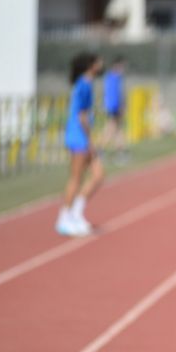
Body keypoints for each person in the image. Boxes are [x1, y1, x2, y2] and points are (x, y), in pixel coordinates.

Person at [56, 52, 105, 237]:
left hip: (81, 136)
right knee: (76, 178)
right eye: (98, 61)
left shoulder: (86, 84)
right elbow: (82, 115)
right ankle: (64, 218)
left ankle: (76, 213)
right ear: (90, 65)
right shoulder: (84, 85)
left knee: (99, 174)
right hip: (78, 137)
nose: (101, 64)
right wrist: (90, 140)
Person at [101, 56, 127, 162]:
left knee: (117, 130)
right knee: (111, 129)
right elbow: (114, 95)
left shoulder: (113, 77)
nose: (123, 69)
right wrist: (120, 107)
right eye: (122, 67)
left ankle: (120, 152)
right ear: (117, 66)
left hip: (112, 107)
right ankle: (99, 150)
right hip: (113, 108)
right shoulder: (113, 78)